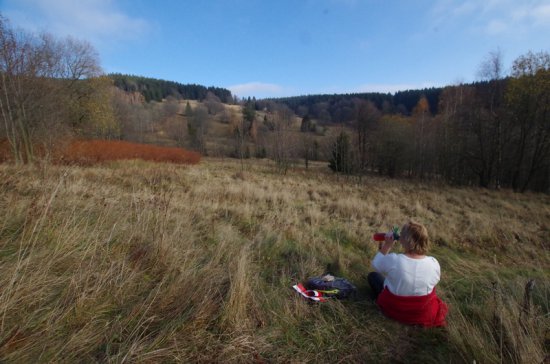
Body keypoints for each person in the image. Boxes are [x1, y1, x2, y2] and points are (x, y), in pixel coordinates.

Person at [367, 221, 448, 327]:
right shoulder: (433, 263)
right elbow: (434, 281)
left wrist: (387, 245)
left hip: (396, 310)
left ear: (406, 240)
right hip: (423, 313)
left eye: (402, 235)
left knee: (373, 276)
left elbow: (376, 264)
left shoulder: (395, 260)